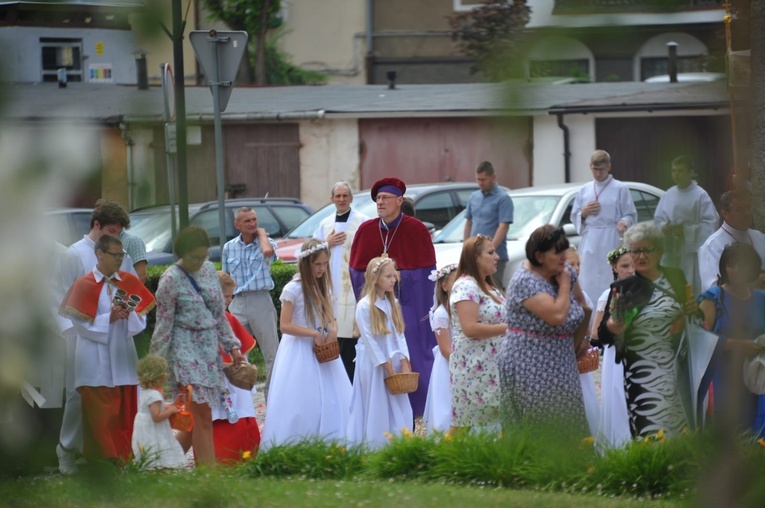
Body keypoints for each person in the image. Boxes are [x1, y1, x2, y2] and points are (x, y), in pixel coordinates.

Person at [150, 226, 245, 466]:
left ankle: (161, 464)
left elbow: (219, 315)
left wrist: (233, 348)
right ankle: (207, 478)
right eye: (194, 257)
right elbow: (163, 326)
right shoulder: (169, 279)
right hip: (184, 351)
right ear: (181, 253)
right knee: (202, 415)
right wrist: (154, 368)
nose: (199, 261)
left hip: (208, 350)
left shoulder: (209, 271)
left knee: (196, 420)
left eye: (203, 256)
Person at [55, 199, 135, 474]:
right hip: (83, 335)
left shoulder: (120, 253)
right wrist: (76, 329)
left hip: (119, 333)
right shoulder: (74, 254)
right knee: (80, 395)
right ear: (96, 225)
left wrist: (126, 310)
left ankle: (108, 453)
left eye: (119, 233)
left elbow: (131, 287)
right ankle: (67, 449)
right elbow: (62, 295)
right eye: (111, 231)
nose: (115, 238)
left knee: (117, 397)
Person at [59, 234, 154, 465]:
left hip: (122, 353)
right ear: (100, 254)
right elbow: (79, 325)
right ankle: (104, 463)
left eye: (122, 255)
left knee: (124, 412)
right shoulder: (83, 285)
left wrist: (128, 315)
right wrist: (107, 318)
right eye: (115, 255)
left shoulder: (128, 282)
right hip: (94, 359)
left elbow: (140, 322)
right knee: (100, 415)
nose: (120, 260)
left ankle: (123, 461)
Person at [598, 223, 698, 438]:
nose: (641, 256)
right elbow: (602, 335)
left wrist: (689, 311)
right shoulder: (622, 289)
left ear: (659, 251)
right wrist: (614, 325)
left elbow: (694, 316)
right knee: (651, 435)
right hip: (641, 373)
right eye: (635, 251)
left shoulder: (675, 277)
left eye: (647, 250)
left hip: (677, 369)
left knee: (682, 433)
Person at [349, 177, 436, 417]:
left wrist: (398, 279)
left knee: (410, 348)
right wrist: (377, 283)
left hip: (407, 304)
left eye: (385, 198)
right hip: (376, 305)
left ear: (400, 201)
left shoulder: (416, 229)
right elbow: (356, 272)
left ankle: (417, 405)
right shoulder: (366, 230)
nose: (380, 202)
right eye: (377, 198)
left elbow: (426, 274)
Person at [261, 240, 352, 449]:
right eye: (317, 264)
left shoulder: (324, 288)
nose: (321, 269)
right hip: (298, 351)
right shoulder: (293, 289)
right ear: (306, 263)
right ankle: (298, 443)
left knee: (330, 397)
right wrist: (312, 333)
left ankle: (332, 440)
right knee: (302, 398)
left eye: (324, 264)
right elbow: (284, 325)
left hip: (322, 351)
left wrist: (333, 329)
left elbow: (330, 317)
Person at [499, 226, 588, 435]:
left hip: (561, 358)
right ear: (539, 256)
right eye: (557, 253)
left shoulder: (562, 270)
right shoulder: (525, 281)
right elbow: (557, 316)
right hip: (530, 362)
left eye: (564, 251)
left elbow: (582, 303)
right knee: (540, 424)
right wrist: (564, 285)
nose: (564, 258)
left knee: (568, 418)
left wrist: (583, 337)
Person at [699, 243, 765, 437]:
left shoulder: (761, 299)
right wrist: (743, 345)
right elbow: (700, 342)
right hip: (722, 379)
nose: (735, 270)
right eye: (730, 264)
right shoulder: (712, 298)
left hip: (756, 379)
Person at [347, 257, 413, 449]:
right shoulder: (365, 306)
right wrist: (384, 363)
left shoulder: (392, 303)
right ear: (375, 278)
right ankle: (375, 443)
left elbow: (399, 333)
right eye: (389, 276)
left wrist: (404, 359)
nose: (394, 279)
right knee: (376, 402)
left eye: (395, 275)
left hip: (393, 358)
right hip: (374, 363)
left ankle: (397, 439)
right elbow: (368, 340)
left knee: (397, 401)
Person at [448, 236, 507, 436]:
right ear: (475, 257)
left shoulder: (489, 286)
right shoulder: (466, 285)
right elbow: (470, 327)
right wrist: (509, 328)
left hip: (494, 366)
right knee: (464, 425)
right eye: (490, 253)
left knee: (497, 423)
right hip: (474, 367)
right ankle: (442, 464)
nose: (497, 257)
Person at [313, 182, 370, 381]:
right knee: (332, 336)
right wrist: (325, 244)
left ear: (351, 198)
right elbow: (311, 252)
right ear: (332, 199)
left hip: (352, 287)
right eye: (338, 196)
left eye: (345, 195)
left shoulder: (363, 222)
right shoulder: (325, 224)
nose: (342, 199)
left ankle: (354, 380)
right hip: (330, 285)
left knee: (351, 336)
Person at [222, 207, 280, 402]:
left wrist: (262, 234)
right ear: (237, 225)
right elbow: (226, 278)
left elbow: (267, 252)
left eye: (254, 220)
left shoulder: (265, 242)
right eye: (247, 221)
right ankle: (239, 398)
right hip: (237, 302)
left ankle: (271, 398)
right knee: (234, 350)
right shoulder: (229, 247)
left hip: (260, 300)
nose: (252, 224)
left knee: (271, 352)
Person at [570, 149, 637, 303]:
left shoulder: (620, 188)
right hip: (591, 239)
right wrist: (584, 213)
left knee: (609, 277)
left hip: (611, 238)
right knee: (588, 279)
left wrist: (624, 222)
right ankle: (591, 317)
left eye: (601, 169)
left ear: (609, 167)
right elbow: (575, 215)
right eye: (595, 169)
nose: (598, 174)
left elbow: (630, 214)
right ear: (590, 166)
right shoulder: (585, 189)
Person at [211, 271, 261, 464]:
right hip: (213, 380)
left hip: (233, 381)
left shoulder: (229, 318)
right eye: (226, 296)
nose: (229, 300)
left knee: (238, 412)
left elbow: (242, 351)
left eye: (231, 295)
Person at [653, 155, 718, 293]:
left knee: (691, 286)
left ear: (691, 172)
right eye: (674, 170)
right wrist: (663, 227)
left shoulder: (700, 195)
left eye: (680, 171)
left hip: (691, 251)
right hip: (671, 249)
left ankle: (692, 313)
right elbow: (658, 220)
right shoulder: (668, 194)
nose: (676, 174)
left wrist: (686, 231)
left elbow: (711, 223)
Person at [591, 246, 634, 449]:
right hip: (616, 352)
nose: (630, 270)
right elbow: (595, 333)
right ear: (614, 267)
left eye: (633, 265)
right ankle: (618, 442)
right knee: (618, 396)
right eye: (625, 266)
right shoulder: (608, 294)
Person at [698, 190, 765, 291]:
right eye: (740, 209)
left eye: (748, 207)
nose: (747, 213)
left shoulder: (760, 237)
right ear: (725, 213)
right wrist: (753, 284)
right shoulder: (712, 246)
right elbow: (712, 289)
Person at [564, 246, 599, 437]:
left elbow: (588, 326)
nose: (576, 268)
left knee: (585, 397)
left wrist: (584, 340)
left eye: (578, 264)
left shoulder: (582, 296)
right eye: (571, 264)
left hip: (578, 355)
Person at [463, 161, 514, 291]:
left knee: (493, 289)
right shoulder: (474, 197)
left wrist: (490, 250)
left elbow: (503, 226)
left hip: (495, 254)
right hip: (474, 254)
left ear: (493, 177)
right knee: (473, 288)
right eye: (478, 179)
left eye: (483, 179)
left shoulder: (503, 198)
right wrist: (466, 246)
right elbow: (468, 222)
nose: (480, 183)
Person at [132, 355, 187, 470]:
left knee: (149, 447)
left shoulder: (146, 392)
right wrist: (171, 410)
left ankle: (151, 466)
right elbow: (156, 416)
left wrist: (173, 404)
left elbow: (156, 409)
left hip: (145, 427)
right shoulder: (155, 395)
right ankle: (162, 467)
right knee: (158, 446)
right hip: (153, 428)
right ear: (161, 377)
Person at [422, 263, 458, 435]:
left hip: (460, 360)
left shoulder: (461, 309)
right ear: (444, 286)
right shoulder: (441, 314)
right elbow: (445, 349)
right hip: (449, 365)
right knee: (447, 406)